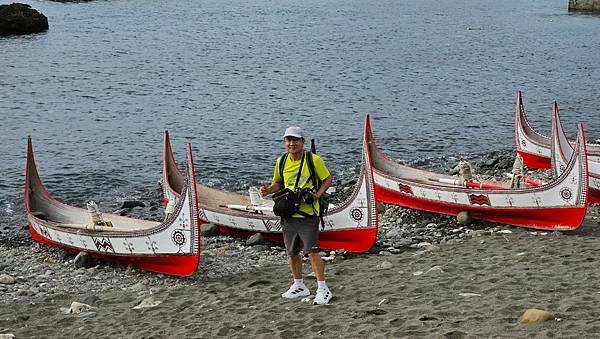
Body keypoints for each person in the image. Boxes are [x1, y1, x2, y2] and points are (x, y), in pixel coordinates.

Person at [259, 126, 334, 305]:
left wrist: (317, 195)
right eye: (288, 140)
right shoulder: (282, 161)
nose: (291, 143)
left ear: (302, 142)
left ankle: (323, 289)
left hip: (308, 215)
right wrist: (268, 190)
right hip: (288, 213)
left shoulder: (312, 160)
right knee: (292, 251)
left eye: (295, 140)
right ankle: (299, 285)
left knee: (312, 252)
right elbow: (278, 183)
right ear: (285, 142)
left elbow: (328, 179)